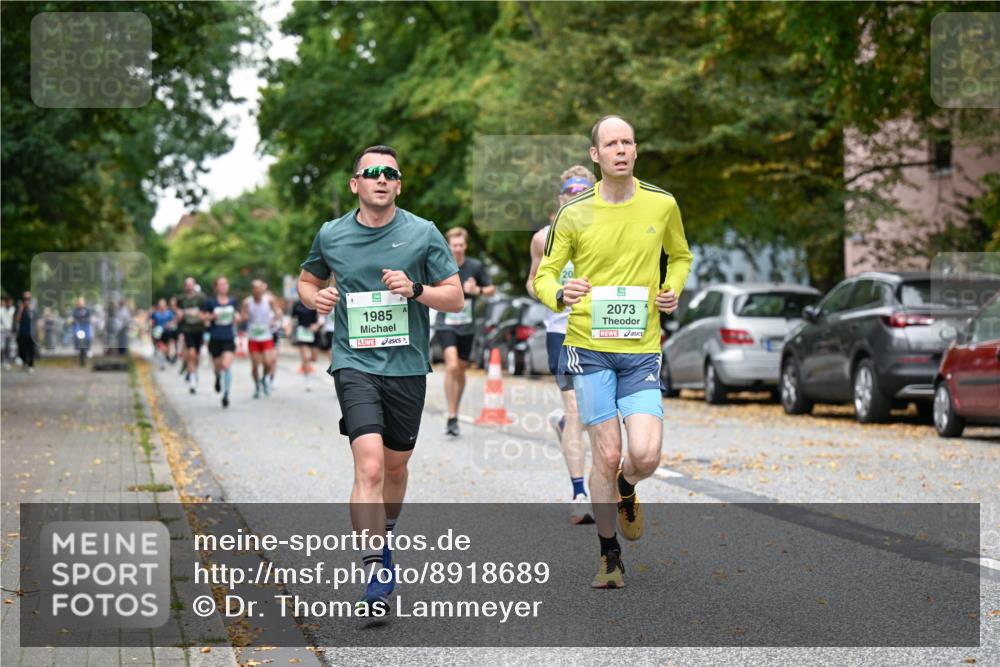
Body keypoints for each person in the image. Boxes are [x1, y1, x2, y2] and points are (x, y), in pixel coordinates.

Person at [297, 144, 462, 609]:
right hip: (354, 363)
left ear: (399, 184)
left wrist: (415, 289)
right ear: (356, 184)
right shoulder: (331, 234)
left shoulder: (423, 233)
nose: (381, 179)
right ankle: (374, 568)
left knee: (394, 466)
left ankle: (385, 536)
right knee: (368, 464)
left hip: (407, 367)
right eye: (371, 172)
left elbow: (455, 298)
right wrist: (316, 299)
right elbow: (307, 281)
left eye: (390, 172)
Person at [532, 116, 693, 589]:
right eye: (611, 143)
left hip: (642, 348)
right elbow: (545, 274)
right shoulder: (573, 214)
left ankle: (627, 489)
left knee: (643, 456)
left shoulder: (662, 204)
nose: (621, 149)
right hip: (588, 346)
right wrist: (561, 293)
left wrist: (672, 288)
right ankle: (608, 554)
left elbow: (680, 256)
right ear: (596, 155)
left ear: (635, 151)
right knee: (606, 454)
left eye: (628, 142)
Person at [527, 165, 596, 525]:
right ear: (561, 198)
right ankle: (580, 493)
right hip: (562, 333)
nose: (577, 195)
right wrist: (553, 291)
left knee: (598, 416)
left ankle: (566, 429)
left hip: (601, 331)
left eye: (584, 189)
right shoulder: (543, 238)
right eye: (571, 190)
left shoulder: (608, 233)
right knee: (574, 409)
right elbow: (531, 281)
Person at [434, 227, 495, 437]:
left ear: (465, 246)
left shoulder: (475, 266)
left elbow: (491, 290)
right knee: (451, 366)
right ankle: (451, 416)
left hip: (467, 326)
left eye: (461, 245)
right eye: (454, 245)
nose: (458, 249)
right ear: (448, 246)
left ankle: (455, 411)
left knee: (460, 369)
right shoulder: (441, 265)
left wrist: (476, 289)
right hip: (446, 323)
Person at [202, 276, 239, 408]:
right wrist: (212, 316)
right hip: (215, 337)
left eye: (225, 284)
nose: (223, 287)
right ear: (216, 287)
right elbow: (203, 316)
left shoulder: (233, 301)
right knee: (218, 366)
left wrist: (237, 318)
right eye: (220, 284)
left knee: (226, 365)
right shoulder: (210, 302)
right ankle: (217, 377)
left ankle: (226, 394)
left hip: (229, 337)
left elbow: (237, 315)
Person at [241, 280, 281, 398]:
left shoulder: (269, 300)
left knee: (268, 362)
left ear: (263, 290)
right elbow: (243, 316)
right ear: (252, 290)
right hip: (253, 337)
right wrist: (243, 317)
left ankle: (264, 378)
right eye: (255, 288)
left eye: (260, 288)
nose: (258, 290)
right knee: (255, 365)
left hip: (266, 336)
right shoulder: (247, 302)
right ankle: (257, 385)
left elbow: (277, 312)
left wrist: (275, 319)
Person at [175, 277, 206, 394]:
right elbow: (177, 309)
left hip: (199, 329)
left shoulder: (201, 298)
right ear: (185, 286)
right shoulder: (181, 299)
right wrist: (179, 314)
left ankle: (194, 371)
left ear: (194, 285)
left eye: (191, 284)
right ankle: (192, 380)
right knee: (191, 353)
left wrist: (199, 314)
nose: (189, 286)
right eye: (187, 284)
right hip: (187, 329)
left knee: (196, 355)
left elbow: (206, 310)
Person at [289, 298, 321, 391]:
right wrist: (289, 328)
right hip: (302, 332)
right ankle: (308, 380)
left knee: (314, 358)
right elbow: (293, 318)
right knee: (306, 357)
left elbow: (322, 317)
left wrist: (317, 325)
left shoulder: (315, 301)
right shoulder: (297, 304)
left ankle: (305, 363)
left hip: (314, 332)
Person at [150, 299, 177, 370]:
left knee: (166, 348)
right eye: (160, 305)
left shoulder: (169, 313)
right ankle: (162, 363)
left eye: (163, 305)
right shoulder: (155, 314)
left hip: (167, 333)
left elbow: (173, 321)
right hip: (158, 333)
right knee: (162, 348)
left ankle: (166, 357)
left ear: (166, 306)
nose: (162, 307)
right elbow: (152, 323)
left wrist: (170, 324)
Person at [14, 291, 37, 374]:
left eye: (28, 298)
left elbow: (36, 320)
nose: (26, 300)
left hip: (32, 333)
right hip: (22, 332)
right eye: (25, 299)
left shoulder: (33, 308)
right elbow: (17, 319)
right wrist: (21, 309)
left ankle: (31, 365)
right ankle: (24, 363)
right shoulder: (20, 308)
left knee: (31, 350)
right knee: (22, 349)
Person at [72, 297, 93, 367]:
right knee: (76, 336)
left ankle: (89, 349)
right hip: (79, 327)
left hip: (86, 326)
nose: (80, 304)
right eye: (79, 302)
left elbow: (90, 318)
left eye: (82, 302)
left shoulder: (87, 310)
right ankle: (77, 347)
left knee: (89, 337)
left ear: (84, 303)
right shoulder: (75, 310)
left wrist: (90, 320)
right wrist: (72, 321)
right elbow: (73, 318)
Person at [1, 296, 15, 369]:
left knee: (9, 347)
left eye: (11, 302)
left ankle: (7, 361)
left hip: (10, 330)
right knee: (2, 347)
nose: (10, 303)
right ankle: (3, 360)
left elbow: (14, 321)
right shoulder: (1, 310)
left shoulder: (13, 309)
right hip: (2, 331)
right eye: (8, 302)